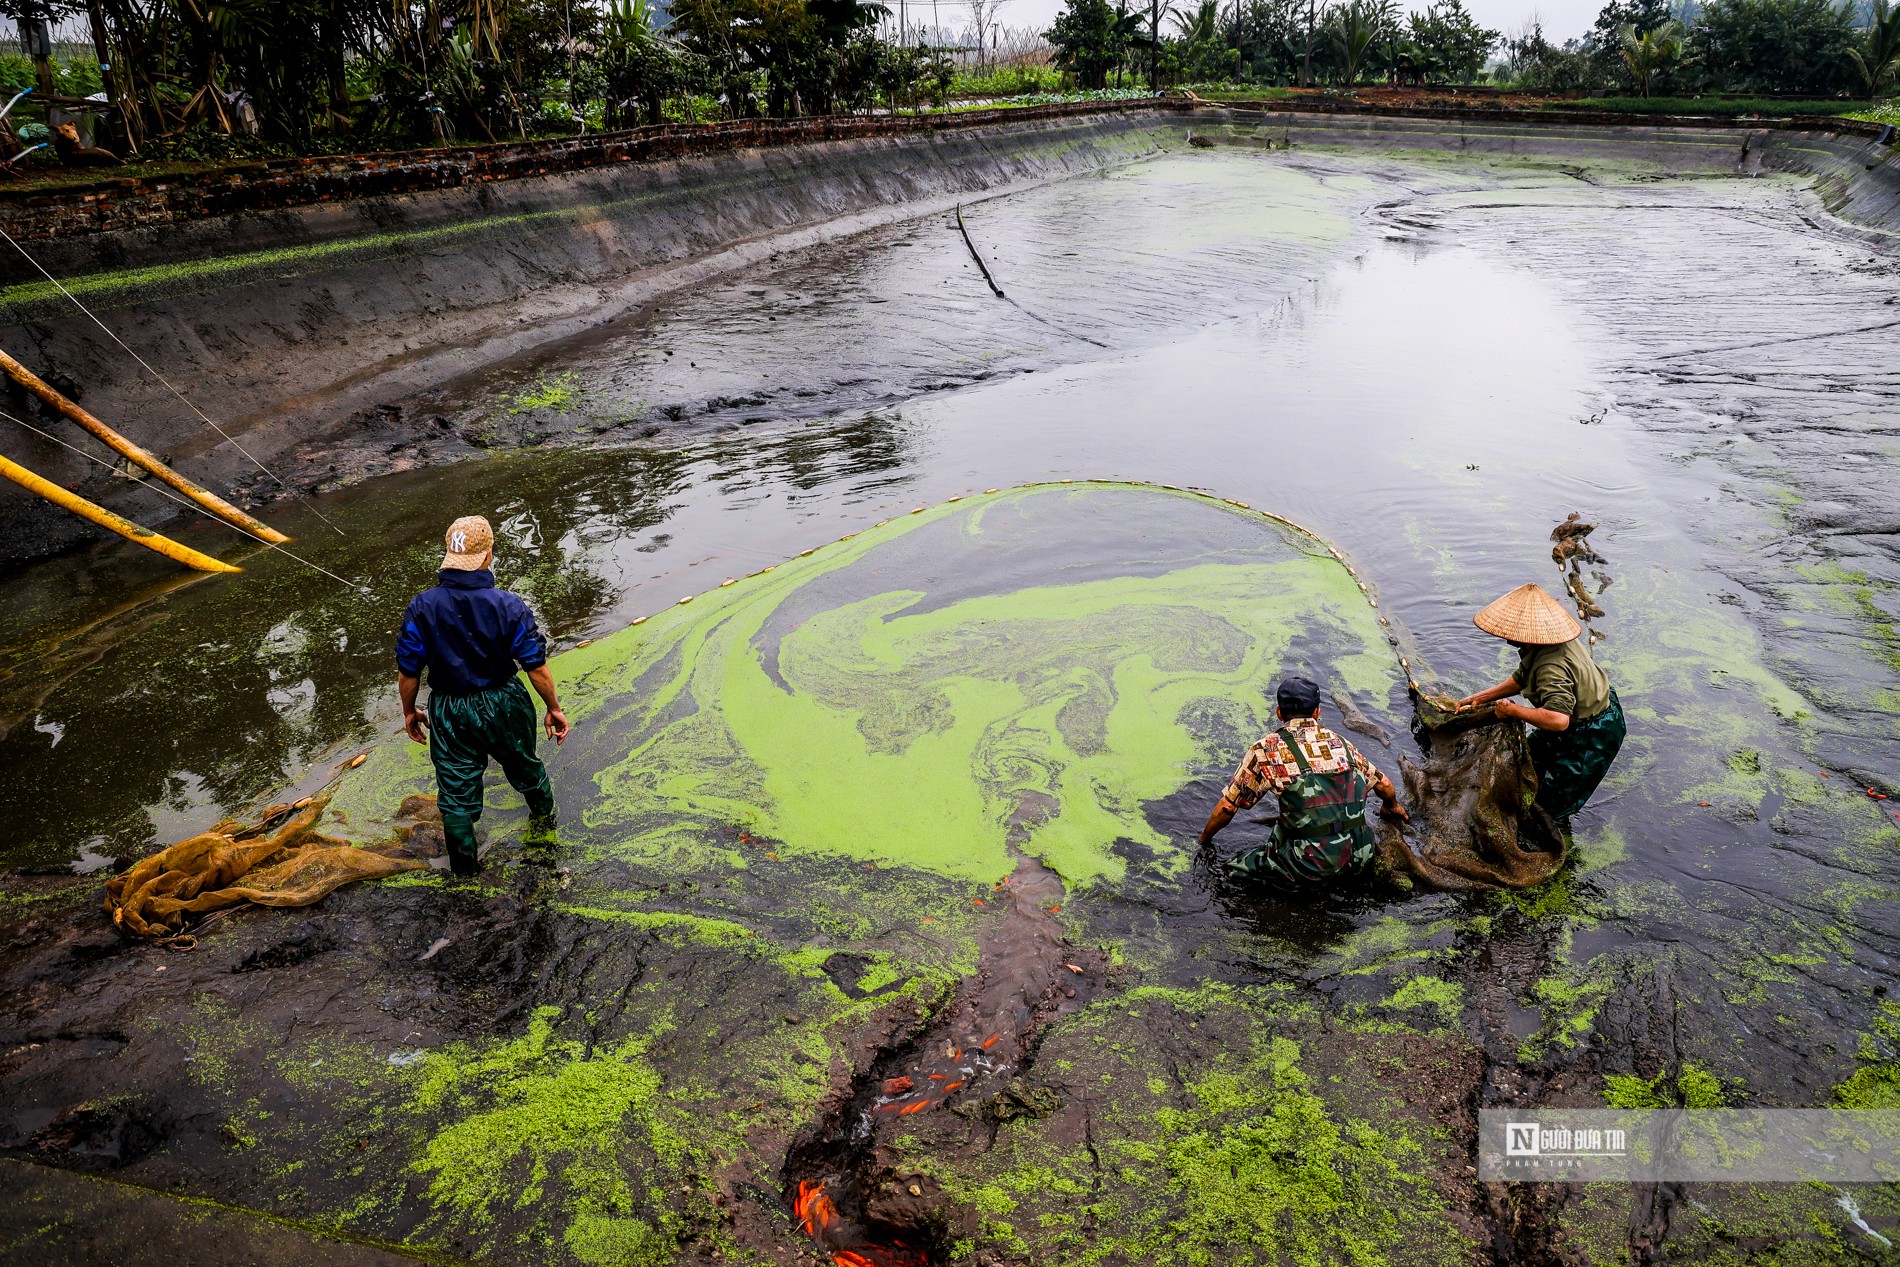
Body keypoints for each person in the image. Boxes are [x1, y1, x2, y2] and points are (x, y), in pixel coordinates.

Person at [395, 515, 569, 876]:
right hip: (504, 701)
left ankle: (464, 874)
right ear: (488, 555)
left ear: (449, 555)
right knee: (524, 765)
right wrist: (553, 708)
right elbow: (535, 665)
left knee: (456, 793)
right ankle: (547, 828)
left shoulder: (421, 606)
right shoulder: (508, 605)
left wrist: (409, 712)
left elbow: (409, 671)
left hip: (449, 707)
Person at [1198, 676, 1409, 887]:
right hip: (1361, 855)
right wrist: (1392, 806)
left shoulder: (1265, 749)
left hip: (1311, 866)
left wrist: (1203, 840)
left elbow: (1227, 808)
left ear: (1279, 712)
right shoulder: (1341, 743)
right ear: (1317, 712)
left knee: (1232, 869)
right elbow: (1384, 785)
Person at [1454, 582, 1625, 823]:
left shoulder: (1550, 667)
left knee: (1553, 803)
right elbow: (1523, 677)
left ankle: (1550, 834)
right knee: (1531, 760)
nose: (1507, 636)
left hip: (1593, 734)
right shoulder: (1548, 642)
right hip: (1581, 713)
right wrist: (1479, 698)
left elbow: (1558, 720)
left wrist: (1514, 711)